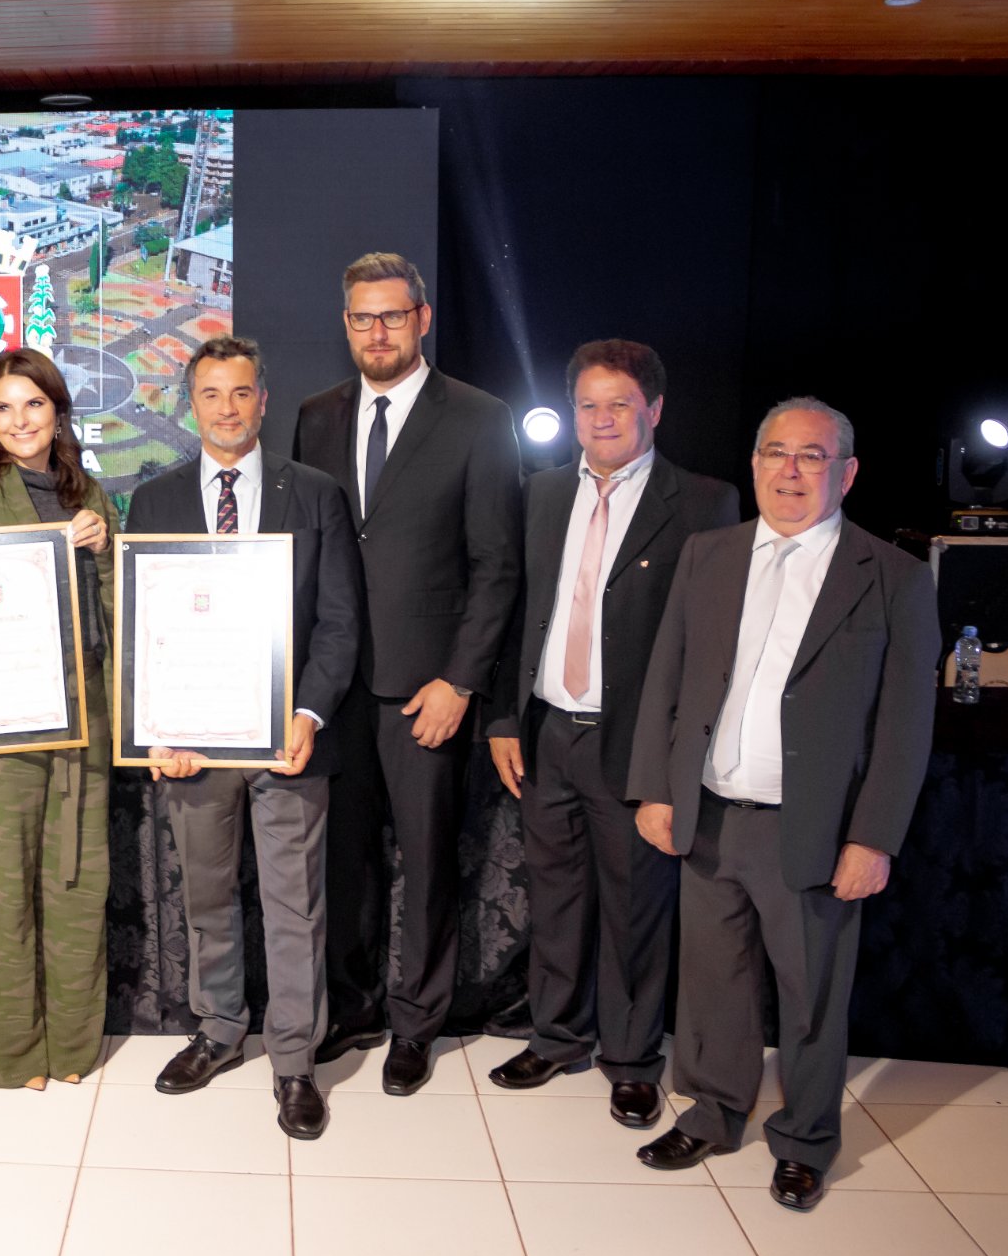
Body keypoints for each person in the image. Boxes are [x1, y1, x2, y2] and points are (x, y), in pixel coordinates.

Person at [627, 397, 938, 1211]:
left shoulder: (894, 578)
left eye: (811, 456)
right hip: (711, 815)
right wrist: (655, 787)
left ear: (847, 473)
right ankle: (716, 1110)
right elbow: (666, 678)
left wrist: (873, 838)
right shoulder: (709, 553)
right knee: (713, 983)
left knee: (810, 997)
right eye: (775, 453)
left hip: (814, 829)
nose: (790, 471)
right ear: (755, 463)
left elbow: (907, 726)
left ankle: (804, 1140)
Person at [481, 341, 740, 1128]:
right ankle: (559, 1035)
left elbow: (709, 647)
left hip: (637, 744)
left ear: (654, 410)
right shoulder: (541, 491)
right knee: (554, 897)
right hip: (546, 729)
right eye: (588, 405)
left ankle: (631, 1059)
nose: (601, 419)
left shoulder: (702, 501)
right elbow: (515, 612)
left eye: (618, 404)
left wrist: (674, 759)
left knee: (635, 909)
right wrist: (502, 716)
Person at [292, 252, 523, 1095]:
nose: (377, 331)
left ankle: (417, 1022)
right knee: (342, 864)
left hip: (426, 692)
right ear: (346, 323)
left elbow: (498, 565)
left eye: (392, 315)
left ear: (423, 319)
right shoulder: (317, 414)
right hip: (333, 689)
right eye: (362, 317)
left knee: (426, 865)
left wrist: (460, 680)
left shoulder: (478, 416)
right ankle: (350, 1006)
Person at [126, 337, 362, 1140]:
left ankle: (295, 1061)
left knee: (295, 905)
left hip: (288, 740)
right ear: (190, 404)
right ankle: (220, 1027)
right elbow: (142, 632)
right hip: (194, 745)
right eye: (211, 394)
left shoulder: (317, 494)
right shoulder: (152, 501)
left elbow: (338, 624)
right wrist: (155, 725)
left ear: (265, 398)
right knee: (207, 895)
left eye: (241, 392)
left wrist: (310, 712)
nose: (227, 408)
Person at [0, 347, 117, 1089]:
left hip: (86, 712)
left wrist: (105, 549)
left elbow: (118, 605)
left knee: (76, 881)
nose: (20, 420)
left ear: (57, 409)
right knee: (6, 886)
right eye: (4, 408)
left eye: (33, 405)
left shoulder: (89, 492)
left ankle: (72, 1047)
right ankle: (12, 1053)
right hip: (0, 715)